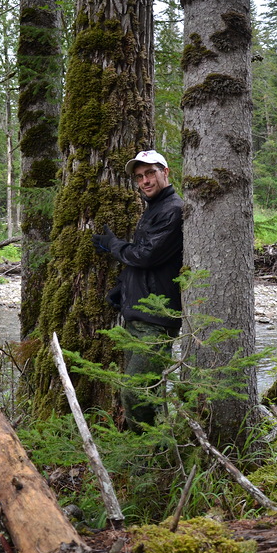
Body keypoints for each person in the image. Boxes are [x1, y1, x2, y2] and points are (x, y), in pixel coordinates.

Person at [92, 149, 184, 430]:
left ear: (165, 173)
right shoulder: (153, 209)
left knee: (135, 391)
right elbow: (146, 264)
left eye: (150, 173)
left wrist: (113, 245)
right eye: (139, 176)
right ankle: (157, 453)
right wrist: (122, 289)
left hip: (156, 318)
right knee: (148, 390)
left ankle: (144, 452)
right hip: (139, 313)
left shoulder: (173, 210)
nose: (145, 181)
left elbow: (145, 255)